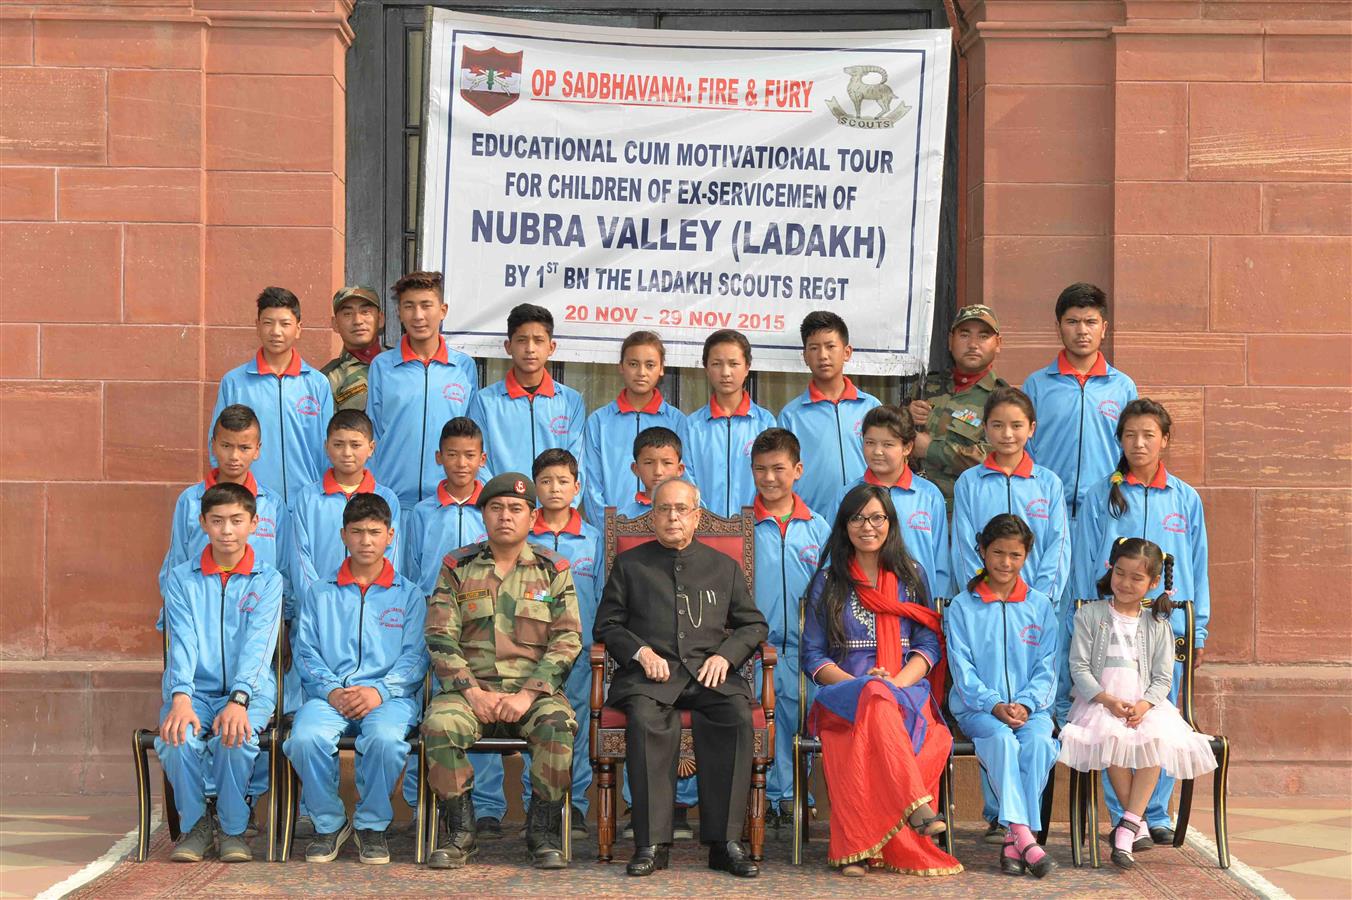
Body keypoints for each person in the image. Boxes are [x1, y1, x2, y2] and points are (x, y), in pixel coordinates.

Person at [593, 479, 769, 879]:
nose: (673, 517)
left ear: (696, 515)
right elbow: (607, 624)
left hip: (710, 675)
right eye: (664, 509)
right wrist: (640, 651)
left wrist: (726, 656)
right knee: (644, 718)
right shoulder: (631, 565)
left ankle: (725, 844)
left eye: (681, 509)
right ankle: (651, 844)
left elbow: (753, 625)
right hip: (652, 678)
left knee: (736, 715)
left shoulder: (723, 567)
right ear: (653, 515)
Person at [422, 473, 581, 871]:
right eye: (496, 508)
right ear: (484, 515)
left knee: (558, 724)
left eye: (515, 509)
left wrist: (527, 695)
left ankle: (542, 832)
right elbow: (440, 636)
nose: (505, 517)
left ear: (533, 516)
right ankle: (460, 832)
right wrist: (473, 693)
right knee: (439, 724)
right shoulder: (457, 566)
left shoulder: (553, 568)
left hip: (532, 695)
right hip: (469, 693)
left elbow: (567, 641)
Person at [801, 483, 962, 878]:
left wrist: (896, 684)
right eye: (857, 518)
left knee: (883, 699)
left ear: (890, 523)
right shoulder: (828, 581)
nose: (867, 526)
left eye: (876, 517)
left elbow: (928, 641)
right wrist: (861, 684)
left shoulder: (911, 575)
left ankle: (859, 847)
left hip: (905, 690)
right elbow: (812, 656)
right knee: (871, 692)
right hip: (843, 694)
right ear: (844, 525)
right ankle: (915, 805)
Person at [1071, 398, 1210, 846]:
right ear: (1120, 441)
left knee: (1160, 719)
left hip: (1166, 629)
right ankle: (1124, 815)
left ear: (1165, 440)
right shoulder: (1102, 495)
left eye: (1149, 434)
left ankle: (1154, 813)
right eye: (1130, 434)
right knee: (1115, 723)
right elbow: (1083, 560)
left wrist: (1198, 626)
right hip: (1112, 629)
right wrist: (1084, 611)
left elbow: (1198, 564)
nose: (1139, 442)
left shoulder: (1185, 497)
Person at [286, 494, 429, 865]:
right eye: (358, 532)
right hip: (329, 696)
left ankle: (371, 824)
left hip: (389, 699)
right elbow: (306, 653)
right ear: (343, 535)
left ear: (390, 536)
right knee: (304, 738)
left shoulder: (409, 595)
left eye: (375, 532)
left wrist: (380, 691)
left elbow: (416, 657)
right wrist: (332, 691)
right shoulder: (320, 593)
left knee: (385, 739)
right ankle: (329, 822)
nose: (366, 541)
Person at [1059, 537, 1217, 869]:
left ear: (1153, 583)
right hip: (1101, 703)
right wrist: (1106, 699)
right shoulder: (1090, 615)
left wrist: (1145, 705)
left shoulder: (1158, 624)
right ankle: (1134, 824)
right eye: (1121, 573)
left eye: (1137, 577)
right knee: (1110, 738)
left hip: (1145, 705)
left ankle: (1128, 823)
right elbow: (1079, 667)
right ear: (1110, 570)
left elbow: (1162, 677)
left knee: (1156, 740)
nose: (1126, 583)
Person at [156, 482, 283, 863]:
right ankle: (196, 826)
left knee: (236, 736)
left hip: (252, 691)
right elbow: (182, 643)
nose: (227, 530)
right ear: (203, 523)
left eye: (236, 521)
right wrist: (180, 697)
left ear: (254, 523)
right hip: (194, 691)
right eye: (217, 521)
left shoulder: (268, 579)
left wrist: (240, 698)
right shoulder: (182, 579)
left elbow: (260, 648)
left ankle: (232, 827)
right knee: (175, 739)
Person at [945, 515, 1060, 879]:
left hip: (1032, 709)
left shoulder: (1041, 605)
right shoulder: (963, 606)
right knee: (1000, 741)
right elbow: (962, 670)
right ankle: (1027, 836)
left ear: (1027, 555)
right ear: (981, 550)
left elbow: (1048, 666)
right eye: (997, 553)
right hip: (977, 707)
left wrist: (1025, 704)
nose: (1005, 563)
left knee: (1040, 743)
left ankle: (1013, 840)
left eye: (1015, 554)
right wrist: (994, 704)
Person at [748, 428, 830, 830]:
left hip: (809, 648)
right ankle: (777, 797)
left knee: (807, 718)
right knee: (769, 720)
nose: (769, 478)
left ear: (797, 470)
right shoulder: (741, 527)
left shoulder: (818, 527)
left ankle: (801, 794)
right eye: (760, 469)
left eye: (779, 469)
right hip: (759, 649)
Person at [1023, 283, 1138, 521]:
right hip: (1045, 509)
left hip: (1106, 509)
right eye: (1072, 322)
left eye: (1091, 322)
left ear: (1104, 328)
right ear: (1058, 328)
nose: (1082, 330)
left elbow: (1132, 450)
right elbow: (1024, 447)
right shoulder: (1037, 384)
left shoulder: (1123, 387)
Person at [211, 286, 333, 504]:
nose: (276, 331)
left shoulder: (317, 384)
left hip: (305, 503)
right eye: (268, 323)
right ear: (257, 327)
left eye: (285, 324)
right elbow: (218, 445)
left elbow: (328, 448)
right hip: (250, 504)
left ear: (298, 328)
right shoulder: (235, 382)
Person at [368, 271, 478, 511]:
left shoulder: (463, 367)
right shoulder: (382, 366)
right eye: (409, 306)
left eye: (426, 305)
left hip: (447, 504)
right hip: (391, 502)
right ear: (399, 312)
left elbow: (472, 435)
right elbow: (373, 432)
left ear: (443, 310)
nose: (418, 315)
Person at [159, 404, 288, 604]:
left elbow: (283, 567)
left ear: (257, 450)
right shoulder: (191, 500)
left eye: (244, 447)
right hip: (200, 612)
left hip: (257, 615)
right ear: (213, 445)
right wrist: (170, 617)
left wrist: (283, 616)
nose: (234, 456)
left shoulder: (272, 504)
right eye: (226, 446)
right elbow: (176, 561)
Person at [831, 405, 951, 600]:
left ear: (907, 447)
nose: (877, 451)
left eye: (888, 444)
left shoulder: (929, 496)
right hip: (861, 608)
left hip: (918, 611)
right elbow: (834, 557)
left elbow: (941, 566)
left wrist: (939, 617)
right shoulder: (847, 496)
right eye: (870, 442)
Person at [286, 409, 402, 591]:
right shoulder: (308, 498)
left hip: (370, 605)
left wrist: (375, 600)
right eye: (338, 444)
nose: (347, 453)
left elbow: (390, 556)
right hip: (319, 607)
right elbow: (300, 557)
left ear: (371, 448)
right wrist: (317, 601)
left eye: (355, 445)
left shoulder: (386, 498)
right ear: (326, 446)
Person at [777, 311, 881, 513]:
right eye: (814, 348)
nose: (823, 355)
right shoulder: (791, 416)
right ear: (805, 356)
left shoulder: (871, 407)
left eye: (830, 346)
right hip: (812, 521)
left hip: (865, 519)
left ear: (847, 352)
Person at [467, 303, 585, 478]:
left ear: (551, 347)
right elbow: (477, 463)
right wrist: (499, 502)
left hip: (555, 504)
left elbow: (577, 464)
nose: (530, 349)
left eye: (538, 341)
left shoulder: (571, 401)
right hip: (503, 503)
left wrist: (559, 504)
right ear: (508, 346)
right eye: (522, 340)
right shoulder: (485, 401)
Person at [581, 330, 687, 525]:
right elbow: (591, 485)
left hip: (666, 533)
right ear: (621, 367)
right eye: (633, 364)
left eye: (650, 365)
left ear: (662, 368)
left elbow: (686, 481)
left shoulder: (677, 421)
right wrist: (612, 530)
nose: (641, 373)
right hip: (614, 533)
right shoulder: (599, 421)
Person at [909, 304, 1007, 505]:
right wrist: (904, 418)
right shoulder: (925, 387)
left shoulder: (1003, 400)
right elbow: (890, 441)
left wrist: (930, 449)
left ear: (998, 343)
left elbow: (994, 458)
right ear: (950, 341)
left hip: (967, 509)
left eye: (983, 336)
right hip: (915, 504)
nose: (973, 344)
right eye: (964, 335)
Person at [684, 329, 776, 517]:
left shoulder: (765, 423)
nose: (725, 372)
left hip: (755, 527)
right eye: (717, 364)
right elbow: (686, 479)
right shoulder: (692, 426)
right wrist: (707, 520)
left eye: (734, 364)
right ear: (706, 368)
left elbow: (773, 479)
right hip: (702, 529)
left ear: (747, 367)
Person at [403, 417, 488, 598]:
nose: (461, 463)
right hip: (433, 607)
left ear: (482, 459)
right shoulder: (422, 512)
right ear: (439, 457)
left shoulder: (491, 509)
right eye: (452, 454)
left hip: (481, 608)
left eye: (470, 455)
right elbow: (413, 569)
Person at [321, 285, 386, 412]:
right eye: (347, 314)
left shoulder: (403, 364)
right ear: (335, 324)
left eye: (365, 312)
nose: (357, 321)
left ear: (380, 319)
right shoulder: (326, 380)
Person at [615, 426, 686, 520]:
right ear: (636, 469)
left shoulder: (693, 515)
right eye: (648, 463)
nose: (658, 472)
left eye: (667, 463)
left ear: (679, 469)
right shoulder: (623, 518)